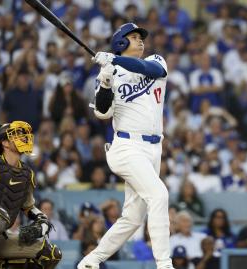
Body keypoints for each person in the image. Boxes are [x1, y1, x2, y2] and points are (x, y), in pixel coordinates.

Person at [78, 23, 173, 269]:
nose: (140, 41)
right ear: (120, 42)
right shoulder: (111, 72)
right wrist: (107, 81)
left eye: (140, 37)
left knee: (132, 218)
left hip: (154, 149)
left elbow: (147, 68)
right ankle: (164, 264)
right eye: (133, 37)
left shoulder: (155, 60)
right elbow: (102, 112)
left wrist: (114, 62)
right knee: (159, 195)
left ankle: (90, 261)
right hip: (127, 147)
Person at [0, 121, 61, 268]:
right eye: (16, 135)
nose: (23, 138)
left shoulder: (27, 174)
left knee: (51, 254)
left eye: (24, 135)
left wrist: (42, 219)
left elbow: (28, 206)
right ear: (4, 143)